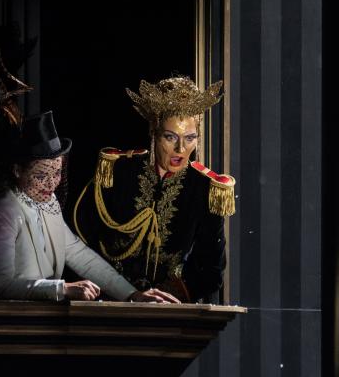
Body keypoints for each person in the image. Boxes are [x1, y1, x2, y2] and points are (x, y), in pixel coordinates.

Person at [0, 110, 179, 303]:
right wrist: (62, 288)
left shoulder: (49, 203)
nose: (51, 184)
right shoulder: (3, 212)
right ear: (17, 170)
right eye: (41, 176)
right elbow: (0, 286)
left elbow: (80, 255)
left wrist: (132, 295)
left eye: (56, 174)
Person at [73, 76, 236, 303]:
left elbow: (211, 269)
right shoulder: (118, 171)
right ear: (154, 133)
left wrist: (167, 296)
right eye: (170, 137)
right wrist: (119, 292)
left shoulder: (205, 188)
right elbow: (81, 238)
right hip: (108, 300)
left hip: (168, 308)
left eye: (190, 138)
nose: (180, 148)